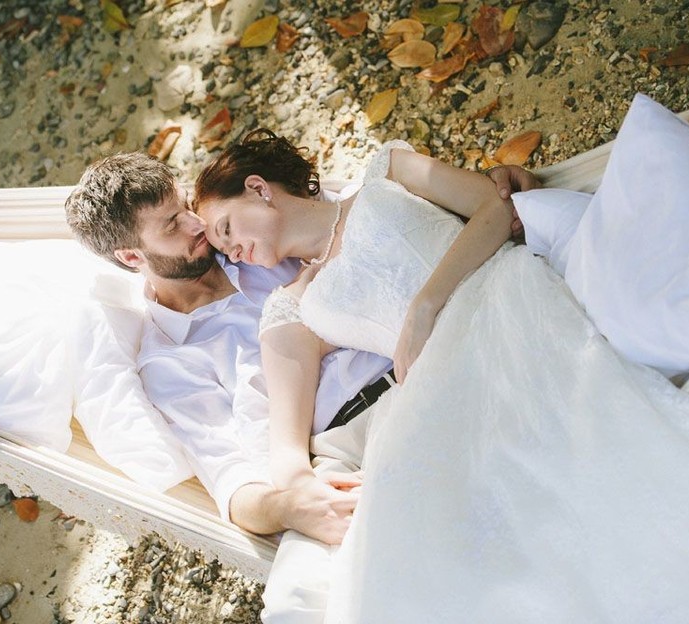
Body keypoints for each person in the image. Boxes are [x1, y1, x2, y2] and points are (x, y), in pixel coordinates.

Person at [194, 122, 689, 622]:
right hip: (437, 388)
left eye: (226, 230)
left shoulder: (386, 170)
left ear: (258, 189)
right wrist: (299, 493)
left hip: (507, 298)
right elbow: (286, 447)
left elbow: (498, 206)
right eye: (224, 250)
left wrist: (425, 307)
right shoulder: (292, 307)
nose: (232, 252)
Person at [64, 151, 534, 546]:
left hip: (447, 347)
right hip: (354, 441)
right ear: (131, 257)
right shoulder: (170, 362)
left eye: (185, 206)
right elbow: (234, 488)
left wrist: (491, 191)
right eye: (173, 225)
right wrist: (289, 505)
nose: (197, 225)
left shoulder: (246, 233)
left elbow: (375, 212)